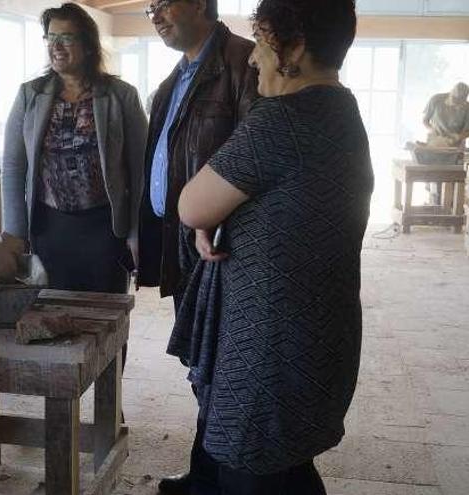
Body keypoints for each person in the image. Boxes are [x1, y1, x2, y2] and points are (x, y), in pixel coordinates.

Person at [175, 0, 373, 492]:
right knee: (288, 463)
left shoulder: (281, 119)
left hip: (270, 341)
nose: (252, 57)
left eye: (262, 41)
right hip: (318, 327)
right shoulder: (343, 112)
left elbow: (192, 207)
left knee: (252, 464)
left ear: (296, 47)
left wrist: (211, 217)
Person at [133, 0, 258, 492]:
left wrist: (217, 220)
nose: (156, 15)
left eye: (164, 3)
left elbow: (253, 157)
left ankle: (222, 476)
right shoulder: (178, 77)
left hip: (220, 245)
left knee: (222, 365)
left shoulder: (242, 64)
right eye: (150, 8)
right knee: (201, 364)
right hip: (183, 242)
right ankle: (208, 472)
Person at [2, 3, 148, 294]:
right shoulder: (30, 95)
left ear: (88, 44)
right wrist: (15, 233)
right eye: (50, 37)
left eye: (66, 37)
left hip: (105, 230)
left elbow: (140, 170)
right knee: (51, 314)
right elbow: (13, 168)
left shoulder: (121, 96)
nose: (56, 45)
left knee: (103, 321)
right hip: (48, 229)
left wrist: (136, 232)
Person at [423, 82, 469, 148]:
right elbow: (425, 120)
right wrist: (432, 130)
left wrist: (457, 137)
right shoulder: (436, 99)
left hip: (456, 145)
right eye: (454, 100)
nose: (456, 105)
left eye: (459, 103)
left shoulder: (468, 108)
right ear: (451, 93)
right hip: (435, 141)